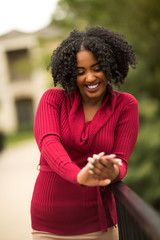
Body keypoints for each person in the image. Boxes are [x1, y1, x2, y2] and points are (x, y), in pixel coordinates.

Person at [31, 25, 139, 240]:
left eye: (96, 68)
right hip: (49, 223)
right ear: (71, 74)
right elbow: (49, 143)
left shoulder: (125, 105)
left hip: (99, 226)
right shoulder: (53, 99)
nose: (89, 78)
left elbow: (121, 161)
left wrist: (111, 171)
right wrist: (79, 176)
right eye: (81, 72)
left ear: (110, 66)